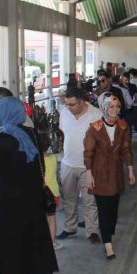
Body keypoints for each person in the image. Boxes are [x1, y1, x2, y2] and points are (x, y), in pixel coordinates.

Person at [0, 97, 58, 274]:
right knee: (36, 237)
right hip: (32, 196)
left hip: (10, 200)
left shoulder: (2, 139)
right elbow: (38, 161)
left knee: (11, 239)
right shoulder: (31, 134)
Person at [83, 94, 135, 260]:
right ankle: (108, 244)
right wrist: (89, 174)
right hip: (99, 174)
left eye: (117, 107)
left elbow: (126, 149)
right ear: (104, 109)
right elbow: (88, 154)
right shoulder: (95, 128)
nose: (114, 110)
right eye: (111, 107)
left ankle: (108, 232)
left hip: (116, 174)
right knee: (103, 210)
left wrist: (131, 169)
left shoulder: (123, 126)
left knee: (113, 210)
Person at [56, 88, 103, 244]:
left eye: (72, 104)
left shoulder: (96, 115)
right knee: (69, 198)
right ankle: (70, 227)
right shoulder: (64, 113)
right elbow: (64, 132)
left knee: (90, 200)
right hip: (68, 163)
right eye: (67, 104)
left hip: (88, 166)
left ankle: (92, 231)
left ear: (82, 102)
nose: (68, 107)